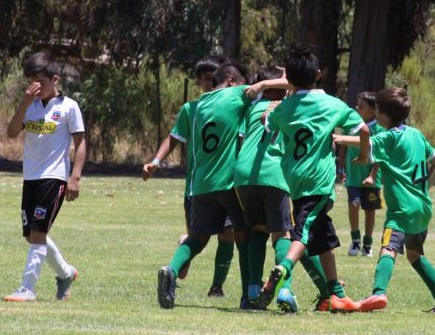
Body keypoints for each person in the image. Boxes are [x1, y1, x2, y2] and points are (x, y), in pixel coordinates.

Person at [157, 63, 287, 309]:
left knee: (199, 237)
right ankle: (249, 295)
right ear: (231, 80)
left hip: (202, 183)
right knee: (245, 235)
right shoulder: (236, 94)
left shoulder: (200, 105)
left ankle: (171, 269)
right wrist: (268, 82)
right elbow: (285, 86)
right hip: (229, 181)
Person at [257, 43, 370, 313]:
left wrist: (274, 107)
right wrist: (363, 155)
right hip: (317, 182)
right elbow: (363, 129)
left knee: (323, 237)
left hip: (293, 181)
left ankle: (336, 295)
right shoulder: (332, 104)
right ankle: (283, 268)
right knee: (305, 232)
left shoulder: (284, 108)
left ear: (289, 80)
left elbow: (266, 122)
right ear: (318, 74)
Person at [333, 86, 435, 314]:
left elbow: (366, 143)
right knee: (415, 255)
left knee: (388, 248)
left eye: (378, 110)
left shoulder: (388, 137)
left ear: (383, 115)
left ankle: (378, 292)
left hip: (402, 210)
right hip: (423, 207)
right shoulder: (417, 135)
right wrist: (425, 189)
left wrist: (337, 137)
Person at [234, 66, 330, 312]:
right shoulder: (291, 109)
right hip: (274, 174)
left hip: (244, 175)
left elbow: (244, 140)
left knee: (257, 230)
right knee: (283, 235)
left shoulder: (252, 108)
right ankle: (284, 290)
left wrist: (265, 85)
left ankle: (254, 291)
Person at [141, 56, 235, 296]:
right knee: (200, 239)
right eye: (207, 79)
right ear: (198, 82)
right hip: (198, 187)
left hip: (228, 183)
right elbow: (173, 138)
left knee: (228, 234)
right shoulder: (191, 110)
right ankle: (173, 268)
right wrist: (155, 161)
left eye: (216, 79)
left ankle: (217, 288)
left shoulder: (234, 106)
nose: (212, 84)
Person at [3, 51, 86, 302]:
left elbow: (80, 143)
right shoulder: (30, 106)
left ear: (56, 79)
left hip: (54, 177)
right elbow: (11, 132)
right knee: (32, 235)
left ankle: (27, 289)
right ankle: (65, 273)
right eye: (31, 82)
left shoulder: (69, 107)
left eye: (41, 81)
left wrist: (75, 177)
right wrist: (24, 104)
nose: (35, 87)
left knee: (38, 233)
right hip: (31, 177)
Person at [337, 91, 385, 258]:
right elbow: (343, 144)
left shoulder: (378, 129)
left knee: (370, 211)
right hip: (353, 178)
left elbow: (379, 155)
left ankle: (367, 244)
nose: (356, 108)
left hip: (372, 180)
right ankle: (355, 240)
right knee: (354, 206)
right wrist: (341, 168)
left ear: (372, 112)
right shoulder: (351, 124)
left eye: (361, 106)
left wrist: (372, 175)